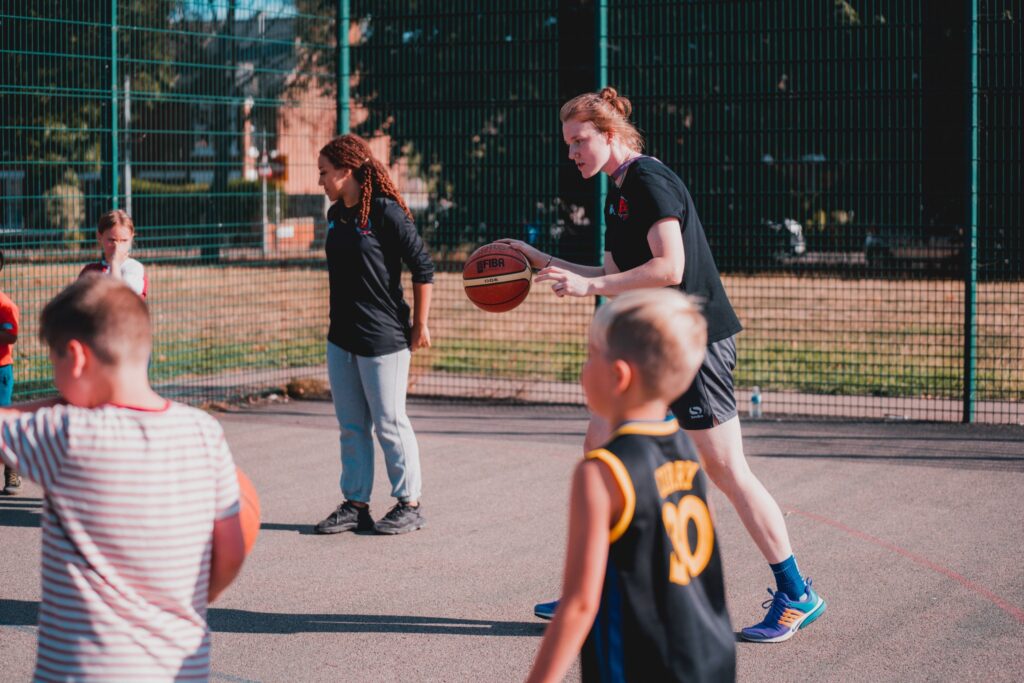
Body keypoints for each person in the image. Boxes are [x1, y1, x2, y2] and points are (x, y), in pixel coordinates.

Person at [503, 87, 825, 643]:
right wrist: (541, 262)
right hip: (656, 345)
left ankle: (797, 592)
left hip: (694, 342)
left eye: (580, 141)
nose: (573, 152)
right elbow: (607, 270)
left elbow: (669, 266)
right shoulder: (616, 192)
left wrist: (591, 285)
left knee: (727, 472)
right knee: (601, 449)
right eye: (569, 143)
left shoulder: (649, 179)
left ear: (609, 135)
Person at [0, 275, 247, 680]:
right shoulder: (204, 432)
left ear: (76, 357)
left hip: (85, 671)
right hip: (181, 667)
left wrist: (60, 402)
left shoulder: (66, 434)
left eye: (54, 362)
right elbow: (231, 550)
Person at [525, 289, 735, 683]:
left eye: (590, 357)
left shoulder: (601, 473)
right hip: (710, 657)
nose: (583, 369)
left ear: (618, 375)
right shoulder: (685, 450)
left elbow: (579, 605)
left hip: (642, 664)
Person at [314, 134, 435, 536]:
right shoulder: (336, 215)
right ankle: (356, 504)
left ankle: (409, 503)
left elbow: (423, 268)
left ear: (346, 171)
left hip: (383, 338)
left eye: (325, 173)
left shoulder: (385, 213)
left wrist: (420, 324)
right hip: (341, 338)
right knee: (351, 425)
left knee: (389, 422)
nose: (321, 181)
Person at [79, 209, 149, 299]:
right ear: (99, 237)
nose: (117, 247)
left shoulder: (134, 268)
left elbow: (117, 297)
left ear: (131, 238)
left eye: (124, 241)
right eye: (111, 240)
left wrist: (115, 262)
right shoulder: (90, 271)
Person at [0, 250, 19, 494]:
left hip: (1, 370)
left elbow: (11, 335)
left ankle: (11, 470)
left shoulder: (4, 304)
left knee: (2, 423)